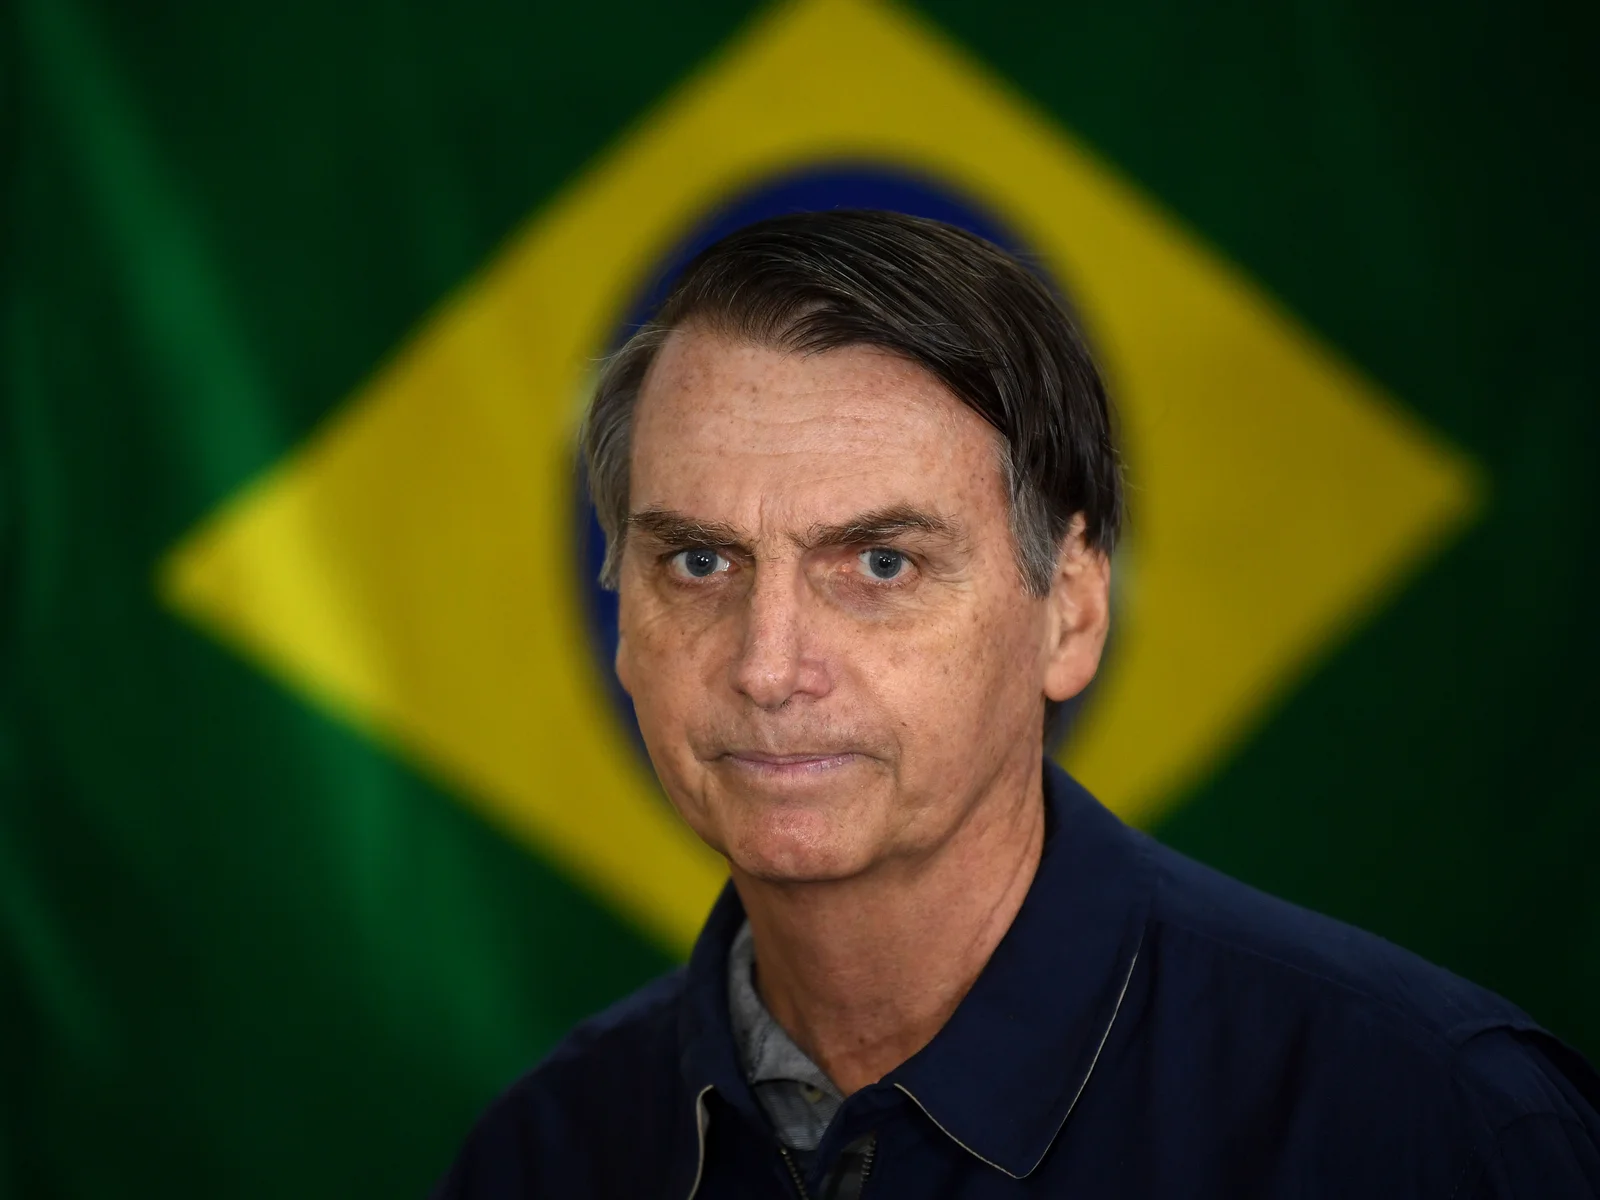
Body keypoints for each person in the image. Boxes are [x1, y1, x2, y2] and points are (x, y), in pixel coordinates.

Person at [433, 211, 1600, 1198]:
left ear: (1071, 612)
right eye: (698, 563)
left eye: (880, 563)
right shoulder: (542, 1159)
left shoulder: (1431, 1127)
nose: (766, 664)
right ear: (620, 618)